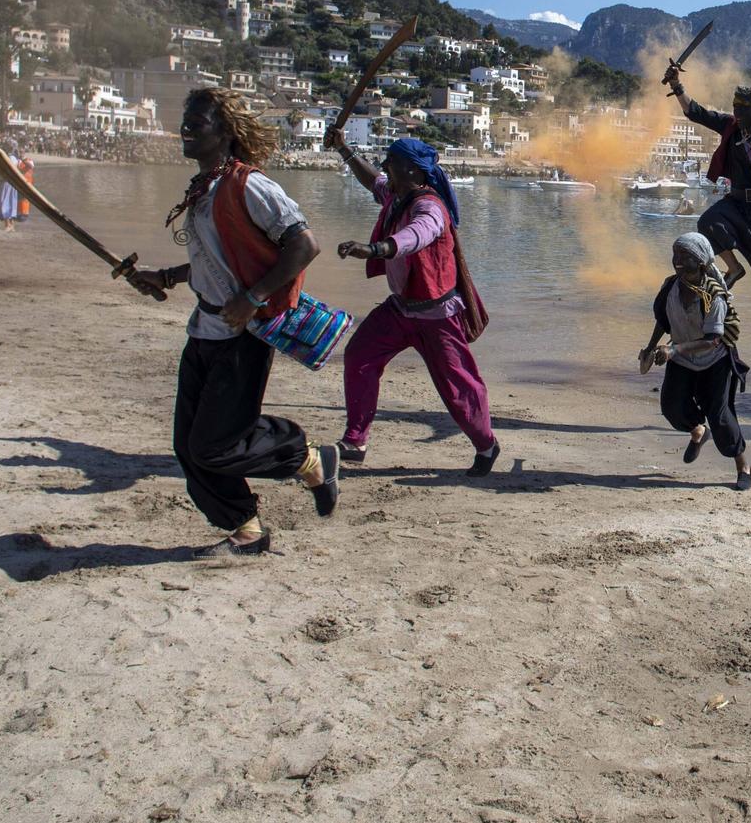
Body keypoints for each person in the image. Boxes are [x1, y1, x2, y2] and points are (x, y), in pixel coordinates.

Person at [125, 88, 338, 559]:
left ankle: (307, 457)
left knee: (216, 443)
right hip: (204, 329)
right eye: (185, 121)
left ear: (224, 134)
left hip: (242, 335)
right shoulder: (203, 188)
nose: (186, 129)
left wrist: (253, 297)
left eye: (197, 123)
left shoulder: (249, 185)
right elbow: (215, 262)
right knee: (189, 446)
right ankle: (245, 529)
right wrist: (165, 276)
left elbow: (304, 246)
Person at [329, 131, 498, 474]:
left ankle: (486, 445)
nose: (385, 167)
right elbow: (371, 180)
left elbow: (416, 235)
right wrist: (343, 148)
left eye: (391, 162)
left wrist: (375, 249)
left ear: (411, 169)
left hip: (437, 315)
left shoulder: (430, 207)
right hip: (400, 309)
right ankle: (355, 440)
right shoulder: (395, 195)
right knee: (360, 354)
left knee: (457, 387)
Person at [666, 74, 751, 358]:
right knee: (707, 223)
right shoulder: (731, 126)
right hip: (736, 203)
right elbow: (697, 112)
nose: (737, 113)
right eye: (735, 108)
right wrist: (677, 87)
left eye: (742, 109)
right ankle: (734, 268)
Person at [639, 232, 751, 491]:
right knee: (671, 408)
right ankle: (698, 431)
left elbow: (713, 339)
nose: (677, 261)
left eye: (685, 256)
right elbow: (663, 321)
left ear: (701, 262)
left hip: (715, 361)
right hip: (681, 359)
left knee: (721, 416)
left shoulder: (714, 297)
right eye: (675, 254)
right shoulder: (670, 286)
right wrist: (649, 347)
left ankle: (742, 464)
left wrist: (675, 350)